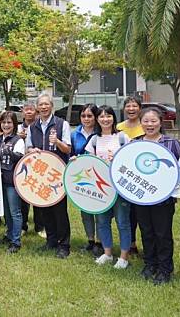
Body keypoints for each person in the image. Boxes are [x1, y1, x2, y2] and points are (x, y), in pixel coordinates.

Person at [135, 107, 180, 285]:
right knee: (146, 232)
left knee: (162, 234)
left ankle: (165, 269)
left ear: (160, 122)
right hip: (140, 197)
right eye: (145, 121)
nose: (149, 124)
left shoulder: (171, 143)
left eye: (153, 121)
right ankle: (150, 264)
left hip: (164, 199)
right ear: (140, 123)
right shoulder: (135, 143)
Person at [25, 94, 72, 258]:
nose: (44, 107)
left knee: (60, 211)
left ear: (51, 106)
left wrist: (57, 141)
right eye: (41, 105)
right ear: (38, 107)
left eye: (47, 104)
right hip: (40, 174)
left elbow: (68, 149)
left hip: (57, 174)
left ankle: (64, 244)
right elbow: (28, 148)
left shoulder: (62, 124)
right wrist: (32, 150)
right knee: (44, 209)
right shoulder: (32, 127)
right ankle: (51, 241)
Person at [85, 105, 131, 268]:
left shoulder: (122, 137)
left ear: (114, 117)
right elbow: (88, 161)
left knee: (122, 221)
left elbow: (131, 160)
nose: (105, 119)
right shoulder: (95, 139)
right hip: (101, 188)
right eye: (102, 116)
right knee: (102, 221)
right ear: (97, 119)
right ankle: (107, 253)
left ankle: (124, 257)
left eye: (108, 116)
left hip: (119, 187)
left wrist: (118, 157)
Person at [70, 103, 102, 257]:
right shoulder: (74, 134)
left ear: (95, 117)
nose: (86, 119)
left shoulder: (102, 133)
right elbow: (70, 153)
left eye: (90, 115)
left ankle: (101, 242)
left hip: (100, 178)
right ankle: (90, 240)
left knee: (101, 211)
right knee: (86, 211)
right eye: (83, 116)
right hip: (82, 177)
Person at [117, 96, 144, 255]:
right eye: (128, 106)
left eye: (134, 106)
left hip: (143, 174)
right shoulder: (119, 128)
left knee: (143, 213)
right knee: (129, 213)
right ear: (124, 109)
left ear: (140, 108)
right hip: (125, 175)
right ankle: (131, 243)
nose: (131, 109)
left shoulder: (147, 125)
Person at [0, 111, 25, 253]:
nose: (6, 125)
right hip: (0, 180)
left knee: (15, 211)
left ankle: (16, 241)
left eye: (9, 122)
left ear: (14, 125)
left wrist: (8, 151)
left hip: (13, 181)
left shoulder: (18, 140)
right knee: (6, 211)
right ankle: (9, 234)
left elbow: (20, 158)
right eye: (4, 122)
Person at [17, 102, 41, 235]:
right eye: (26, 110)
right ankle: (23, 226)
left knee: (38, 195)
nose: (29, 112)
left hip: (37, 166)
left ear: (36, 112)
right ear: (23, 113)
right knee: (23, 198)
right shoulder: (18, 128)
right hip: (22, 166)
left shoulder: (39, 127)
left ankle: (39, 226)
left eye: (32, 109)